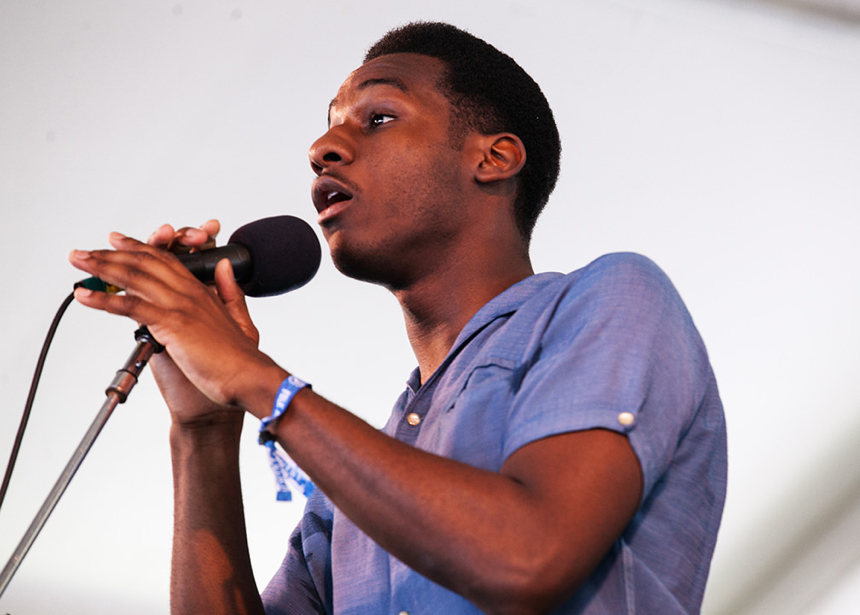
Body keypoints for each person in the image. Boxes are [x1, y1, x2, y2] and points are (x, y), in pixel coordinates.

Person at [69, 21, 726, 615]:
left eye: (377, 117)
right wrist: (204, 429)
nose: (322, 147)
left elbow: (530, 556)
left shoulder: (614, 298)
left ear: (493, 158)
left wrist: (258, 379)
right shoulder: (348, 488)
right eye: (328, 126)